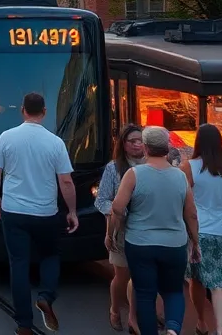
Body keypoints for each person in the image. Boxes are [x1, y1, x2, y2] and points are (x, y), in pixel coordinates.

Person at [0, 92, 77, 335]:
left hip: (14, 210)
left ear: (23, 110)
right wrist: (72, 211)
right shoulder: (55, 143)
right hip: (45, 212)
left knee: (18, 264)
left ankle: (24, 325)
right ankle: (46, 295)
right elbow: (66, 182)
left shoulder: (7, 137)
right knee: (50, 255)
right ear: (44, 112)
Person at [110, 126, 199, 335]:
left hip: (140, 242)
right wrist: (195, 240)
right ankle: (173, 329)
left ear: (146, 148)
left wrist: (115, 228)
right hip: (174, 243)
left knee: (144, 294)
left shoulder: (134, 174)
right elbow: (191, 214)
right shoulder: (179, 176)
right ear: (167, 148)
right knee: (173, 290)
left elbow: (117, 206)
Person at [181, 124, 222, 335]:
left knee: (196, 280)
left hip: (197, 232)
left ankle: (201, 321)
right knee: (220, 285)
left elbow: (182, 198)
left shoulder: (189, 167)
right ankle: (220, 330)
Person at [96, 124, 145, 332]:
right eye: (132, 141)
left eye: (140, 140)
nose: (137, 145)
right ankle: (115, 309)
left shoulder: (153, 166)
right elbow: (101, 200)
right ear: (123, 145)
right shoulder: (113, 167)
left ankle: (136, 317)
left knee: (141, 276)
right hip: (121, 228)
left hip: (145, 228)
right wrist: (117, 210)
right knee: (122, 276)